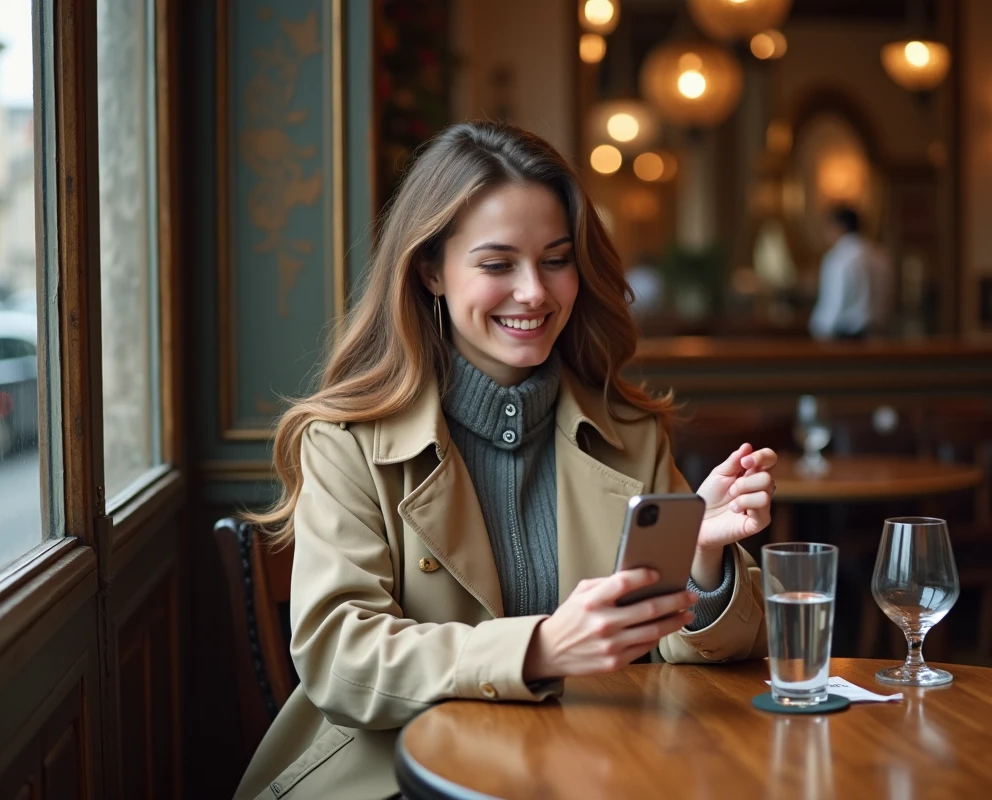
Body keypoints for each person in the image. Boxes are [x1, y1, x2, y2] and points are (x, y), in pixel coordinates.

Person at [233, 121, 777, 800]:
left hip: (598, 772)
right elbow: (340, 659)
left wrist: (702, 561)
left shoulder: (631, 432)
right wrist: (540, 649)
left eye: (556, 259)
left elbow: (705, 646)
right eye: (497, 264)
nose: (535, 293)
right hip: (398, 781)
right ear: (430, 268)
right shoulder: (343, 440)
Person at [808, 205, 892, 340]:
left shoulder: (838, 258)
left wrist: (820, 329)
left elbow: (834, 302)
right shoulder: (880, 255)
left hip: (846, 337)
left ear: (837, 227)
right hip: (879, 334)